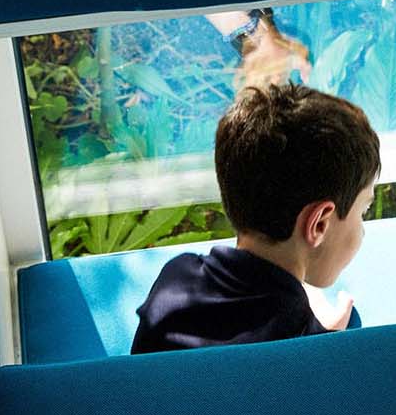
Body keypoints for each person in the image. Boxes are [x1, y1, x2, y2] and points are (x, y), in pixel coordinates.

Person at [131, 81, 379, 354]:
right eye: (363, 212)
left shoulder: (175, 280)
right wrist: (325, 337)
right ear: (319, 223)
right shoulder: (304, 341)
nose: (363, 230)